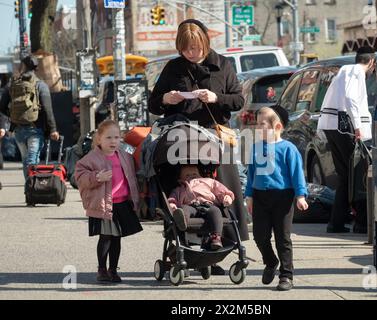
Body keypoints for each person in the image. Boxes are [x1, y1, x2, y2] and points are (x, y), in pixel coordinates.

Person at [148, 19, 248, 274]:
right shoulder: (174, 67)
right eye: (187, 49)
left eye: (197, 48)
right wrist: (165, 99)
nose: (192, 54)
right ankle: (186, 246)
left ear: (206, 42)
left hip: (213, 136)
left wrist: (217, 98)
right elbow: (153, 104)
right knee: (182, 193)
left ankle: (217, 250)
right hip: (180, 140)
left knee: (219, 192)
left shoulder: (222, 64)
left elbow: (238, 100)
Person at [245, 105, 309, 291]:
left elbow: (297, 173)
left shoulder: (288, 149)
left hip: (283, 197)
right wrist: (249, 195)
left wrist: (300, 195)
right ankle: (271, 261)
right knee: (259, 236)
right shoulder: (256, 148)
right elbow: (251, 173)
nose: (258, 128)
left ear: (277, 127)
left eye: (262, 124)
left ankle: (286, 276)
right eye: (256, 124)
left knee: (283, 238)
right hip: (260, 197)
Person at [317, 46, 376, 234]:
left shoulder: (344, 71)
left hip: (333, 125)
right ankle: (360, 222)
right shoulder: (356, 71)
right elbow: (351, 98)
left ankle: (337, 222)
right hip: (345, 127)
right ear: (372, 62)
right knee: (358, 175)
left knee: (346, 176)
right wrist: (358, 127)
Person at [75, 120, 143, 283]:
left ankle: (113, 269)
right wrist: (96, 177)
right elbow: (79, 175)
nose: (113, 141)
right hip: (103, 203)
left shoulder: (125, 156)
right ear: (99, 139)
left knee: (117, 238)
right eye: (108, 138)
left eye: (117, 137)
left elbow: (133, 177)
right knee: (105, 237)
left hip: (121, 203)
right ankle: (101, 269)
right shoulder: (91, 158)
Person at [0, 55, 59, 178]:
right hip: (35, 128)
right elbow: (48, 110)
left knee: (26, 159)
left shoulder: (12, 84)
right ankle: (32, 187)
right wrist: (53, 129)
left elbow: (1, 106)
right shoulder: (40, 85)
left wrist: (13, 117)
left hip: (18, 129)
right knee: (32, 160)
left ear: (24, 66)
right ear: (36, 68)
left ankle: (29, 187)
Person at [168, 164, 234, 250]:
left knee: (216, 211)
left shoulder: (208, 181)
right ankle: (182, 220)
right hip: (189, 205)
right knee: (184, 209)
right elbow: (172, 199)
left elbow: (219, 189)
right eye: (187, 175)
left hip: (208, 204)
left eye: (194, 174)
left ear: (199, 174)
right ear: (181, 179)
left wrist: (226, 196)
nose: (191, 176)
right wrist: (173, 206)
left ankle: (216, 237)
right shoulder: (179, 189)